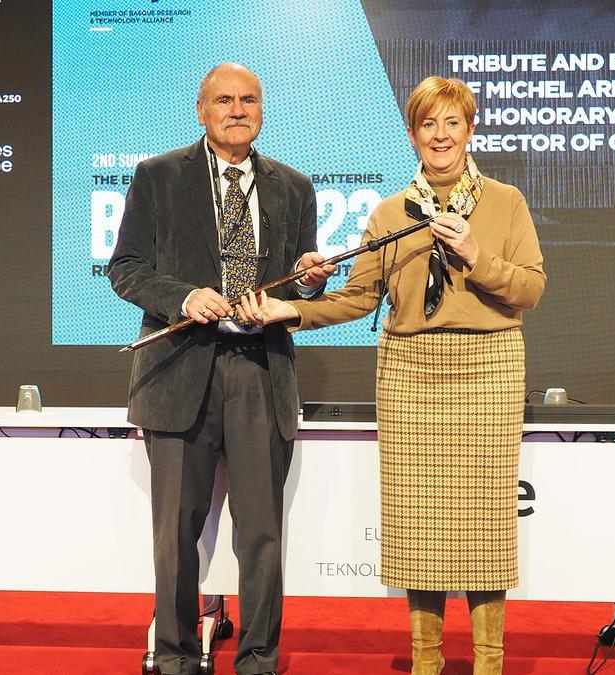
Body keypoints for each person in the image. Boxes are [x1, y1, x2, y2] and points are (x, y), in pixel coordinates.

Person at [237, 75, 545, 675]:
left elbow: (530, 288)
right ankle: (425, 662)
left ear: (470, 129)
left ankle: (489, 663)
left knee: (484, 527)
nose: (440, 135)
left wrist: (477, 258)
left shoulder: (506, 202)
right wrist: (290, 308)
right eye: (428, 125)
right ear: (411, 136)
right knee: (419, 528)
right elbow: (357, 299)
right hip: (409, 371)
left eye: (451, 122)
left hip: (489, 369)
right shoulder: (389, 213)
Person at [107, 62, 333, 675]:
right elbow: (125, 267)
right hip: (180, 371)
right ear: (202, 111)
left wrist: (308, 283)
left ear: (262, 111)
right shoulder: (157, 178)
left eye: (250, 100)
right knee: (176, 537)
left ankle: (259, 659)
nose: (238, 109)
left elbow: (299, 291)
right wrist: (183, 297)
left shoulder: (294, 187)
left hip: (261, 372)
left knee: (261, 535)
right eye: (224, 100)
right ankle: (176, 656)